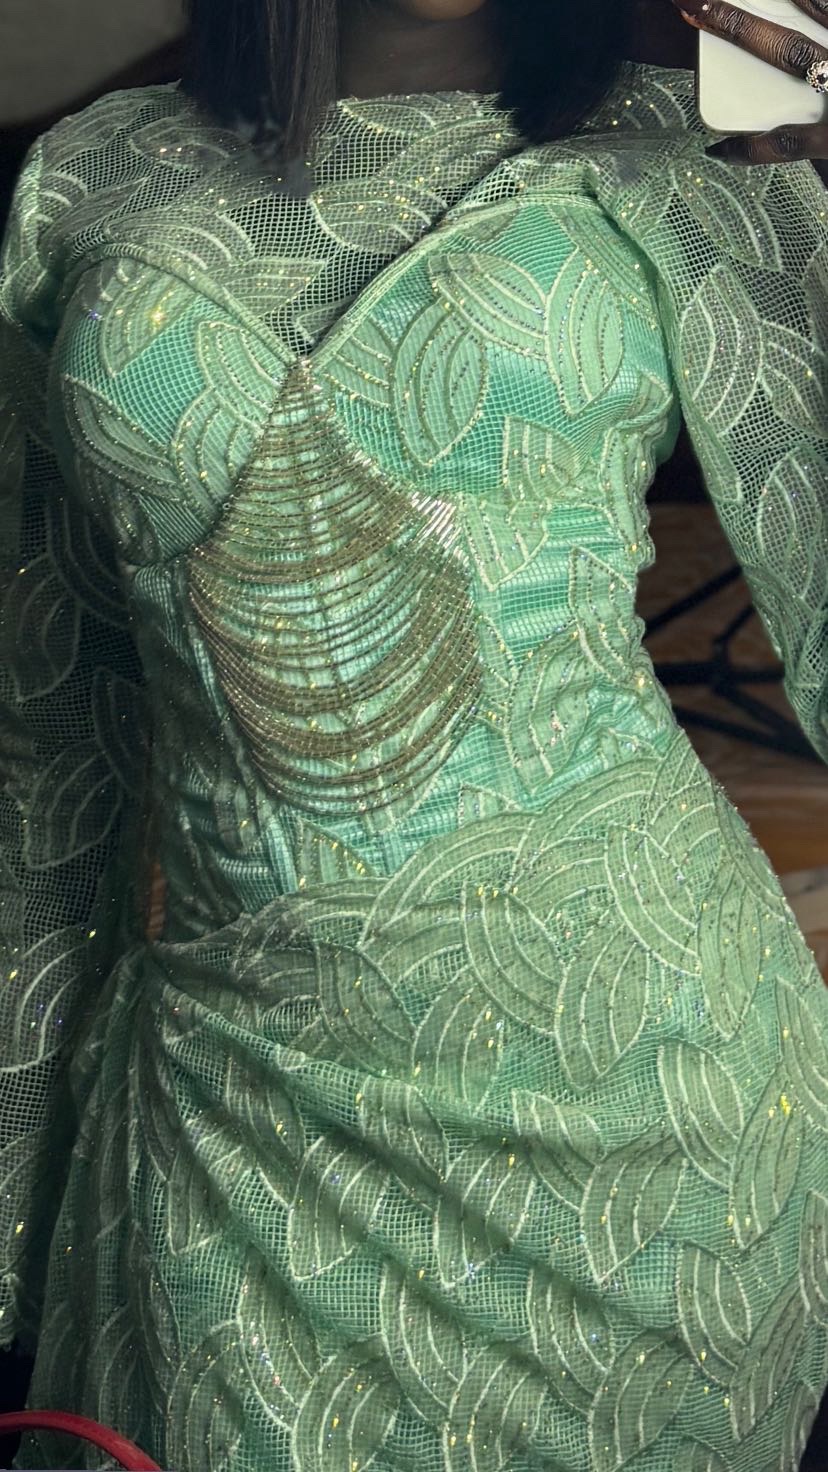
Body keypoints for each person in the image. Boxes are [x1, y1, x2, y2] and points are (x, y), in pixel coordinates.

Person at [1, 1, 827, 1467]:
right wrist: (19, 1185)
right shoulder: (89, 174)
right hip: (237, 1097)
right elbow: (47, 731)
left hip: (647, 1084)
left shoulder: (700, 145)